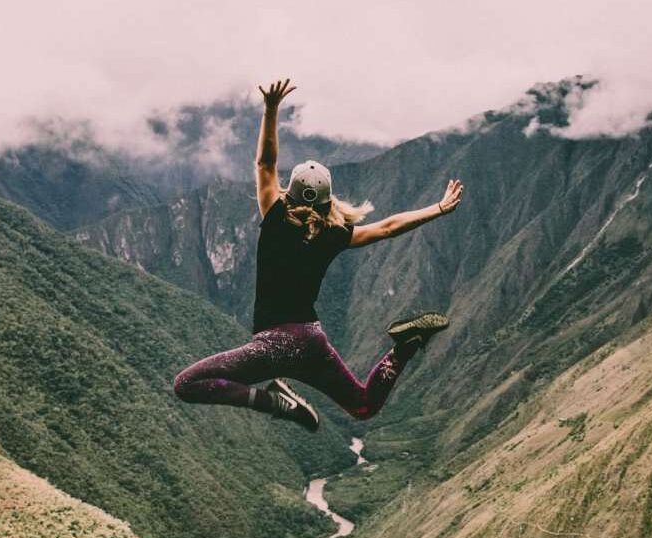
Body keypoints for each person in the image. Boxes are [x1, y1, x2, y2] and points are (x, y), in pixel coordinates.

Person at [173, 78, 464, 431]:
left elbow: (266, 164)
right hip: (312, 341)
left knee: (187, 384)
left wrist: (270, 109)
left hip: (274, 346)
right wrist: (437, 208)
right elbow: (388, 227)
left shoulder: (276, 216)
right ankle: (403, 347)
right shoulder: (334, 234)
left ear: (289, 193)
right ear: (329, 200)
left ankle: (274, 402)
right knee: (363, 405)